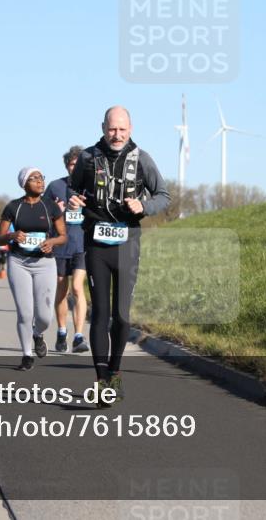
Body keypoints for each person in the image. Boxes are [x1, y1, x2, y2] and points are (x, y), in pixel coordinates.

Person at [69, 106, 170, 405]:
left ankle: (115, 372)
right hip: (97, 242)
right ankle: (101, 380)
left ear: (131, 128)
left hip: (127, 242)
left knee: (122, 316)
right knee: (100, 312)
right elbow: (72, 193)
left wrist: (144, 207)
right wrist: (73, 201)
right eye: (112, 129)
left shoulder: (142, 159)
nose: (117, 135)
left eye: (122, 129)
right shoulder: (87, 158)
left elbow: (163, 195)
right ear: (103, 127)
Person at [0, 167, 66, 371]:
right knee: (25, 313)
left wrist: (52, 241)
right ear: (24, 183)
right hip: (19, 262)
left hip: (45, 264)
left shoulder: (51, 207)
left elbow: (63, 236)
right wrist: (12, 235)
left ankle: (38, 334)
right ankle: (26, 354)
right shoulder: (13, 207)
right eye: (34, 178)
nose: (40, 182)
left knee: (45, 316)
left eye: (41, 178)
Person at [46, 145, 89, 353]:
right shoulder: (55, 187)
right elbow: (41, 215)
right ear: (67, 166)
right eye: (72, 164)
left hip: (82, 245)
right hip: (61, 247)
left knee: (78, 288)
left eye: (79, 164)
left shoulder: (91, 188)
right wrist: (57, 212)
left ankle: (79, 336)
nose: (75, 167)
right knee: (61, 291)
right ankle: (62, 331)